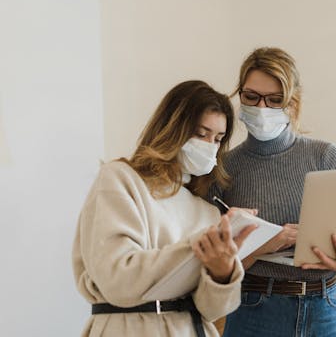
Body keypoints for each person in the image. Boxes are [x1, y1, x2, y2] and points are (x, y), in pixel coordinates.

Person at [72, 80, 257, 337]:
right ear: (173, 128)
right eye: (201, 134)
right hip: (128, 329)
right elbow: (118, 279)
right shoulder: (119, 179)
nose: (209, 146)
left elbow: (212, 310)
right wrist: (198, 246)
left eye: (218, 138)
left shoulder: (207, 212)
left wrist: (222, 271)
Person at [207, 47, 336, 336]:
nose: (261, 108)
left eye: (275, 99)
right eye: (251, 97)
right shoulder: (225, 167)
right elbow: (215, 267)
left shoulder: (326, 157)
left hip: (324, 305)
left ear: (292, 102)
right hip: (253, 307)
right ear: (239, 94)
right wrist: (266, 245)